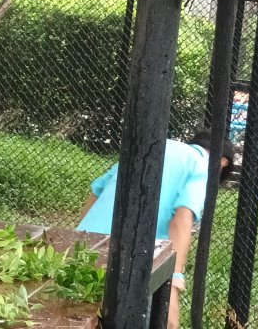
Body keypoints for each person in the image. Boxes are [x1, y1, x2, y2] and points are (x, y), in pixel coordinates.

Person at [77, 130, 235, 329]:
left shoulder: (152, 145)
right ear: (222, 161)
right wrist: (175, 282)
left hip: (81, 246)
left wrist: (78, 237)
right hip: (128, 257)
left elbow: (96, 191)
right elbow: (182, 218)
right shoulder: (202, 164)